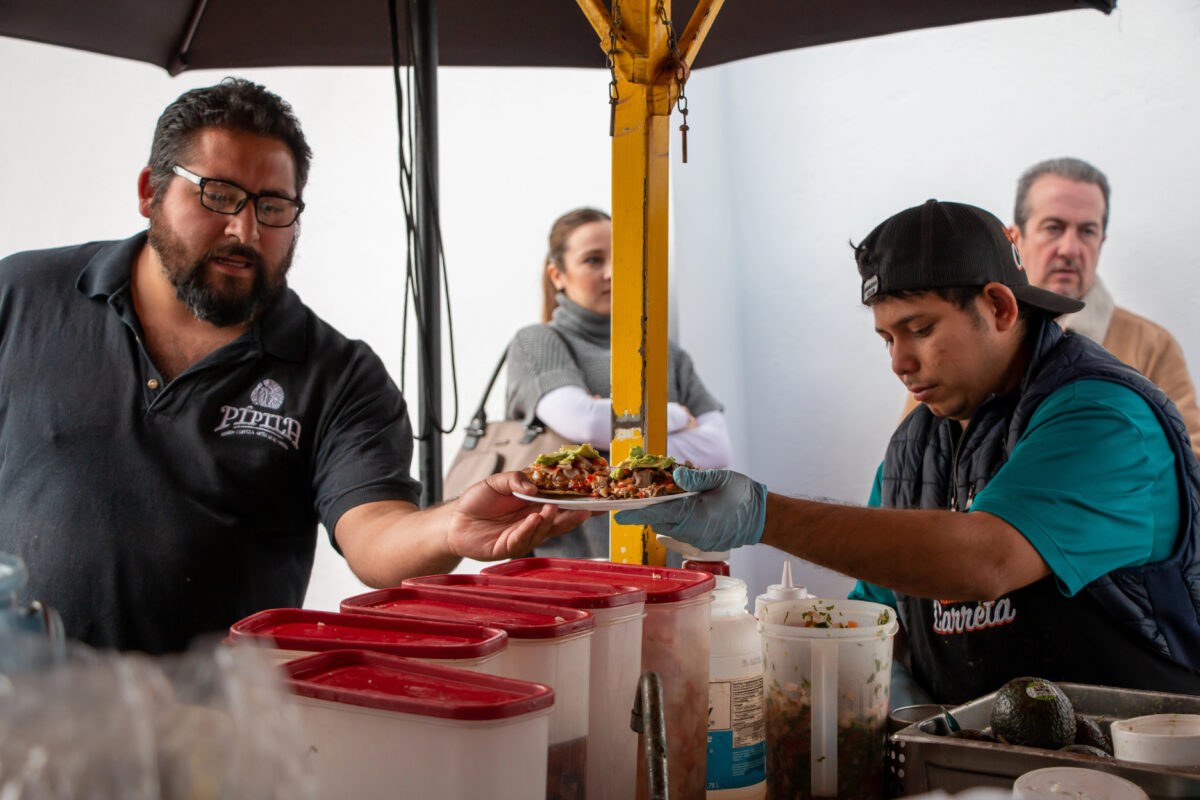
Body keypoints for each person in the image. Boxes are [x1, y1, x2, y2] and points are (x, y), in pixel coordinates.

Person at [0, 79, 587, 654]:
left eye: (273, 206)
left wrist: (450, 526)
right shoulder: (21, 297)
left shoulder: (338, 374)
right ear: (150, 191)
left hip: (221, 733)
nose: (245, 230)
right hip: (19, 716)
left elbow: (373, 531)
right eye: (219, 195)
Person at [618, 199, 1200, 704]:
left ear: (1000, 307)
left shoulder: (1103, 417)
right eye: (887, 338)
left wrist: (765, 515)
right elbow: (879, 611)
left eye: (919, 329)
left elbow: (985, 560)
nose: (899, 362)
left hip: (1130, 760)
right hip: (965, 763)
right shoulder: (917, 441)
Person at [901, 158, 1200, 461]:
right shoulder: (964, 333)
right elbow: (911, 458)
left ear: (1101, 241)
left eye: (1087, 231)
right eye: (1053, 228)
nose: (1070, 248)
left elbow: (1190, 461)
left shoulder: (1151, 345)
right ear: (1015, 239)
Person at [504, 207, 732, 558]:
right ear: (557, 274)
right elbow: (583, 421)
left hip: (669, 566)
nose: (612, 272)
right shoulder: (539, 342)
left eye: (621, 257)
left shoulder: (665, 353)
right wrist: (676, 419)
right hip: (574, 572)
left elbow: (717, 452)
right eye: (593, 260)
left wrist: (606, 441)